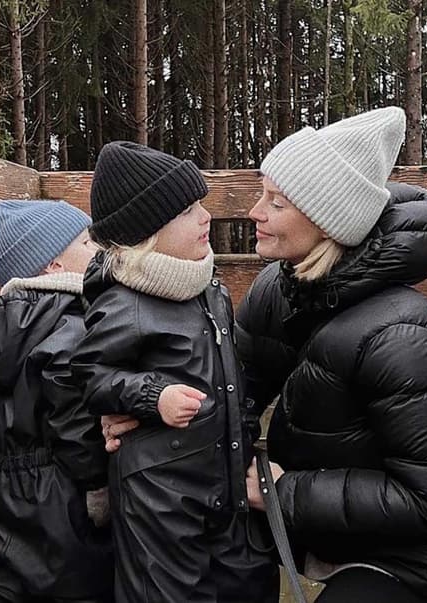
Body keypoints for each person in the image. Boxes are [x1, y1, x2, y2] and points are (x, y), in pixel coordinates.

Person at [235, 106, 427, 602]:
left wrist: (286, 491)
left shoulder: (400, 335)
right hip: (339, 533)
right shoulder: (282, 288)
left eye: (277, 202)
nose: (255, 212)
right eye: (262, 194)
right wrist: (143, 406)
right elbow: (234, 384)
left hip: (425, 564)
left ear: (326, 222)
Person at [70, 141, 278, 603]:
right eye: (187, 211)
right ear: (147, 232)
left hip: (224, 484)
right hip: (159, 501)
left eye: (201, 204)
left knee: (248, 584)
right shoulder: (124, 302)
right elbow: (91, 373)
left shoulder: (208, 288)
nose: (206, 217)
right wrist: (152, 395)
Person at [0, 199, 113, 603]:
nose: (98, 250)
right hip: (63, 491)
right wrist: (97, 485)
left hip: (9, 484)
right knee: (77, 585)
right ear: (53, 265)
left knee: (21, 579)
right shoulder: (68, 319)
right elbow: (74, 417)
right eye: (87, 242)